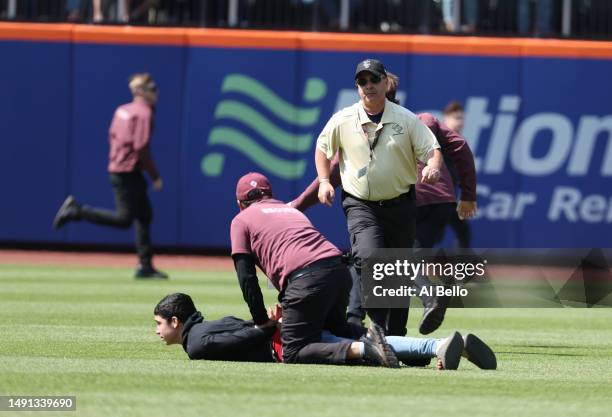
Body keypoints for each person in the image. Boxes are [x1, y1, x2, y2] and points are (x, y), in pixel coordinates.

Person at [292, 72, 476, 336]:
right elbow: (459, 146)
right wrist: (467, 194)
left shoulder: (359, 125)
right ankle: (393, 331)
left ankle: (369, 320)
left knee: (372, 259)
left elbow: (333, 170)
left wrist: (299, 204)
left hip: (400, 200)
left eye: (372, 84)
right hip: (438, 202)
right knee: (387, 260)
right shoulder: (420, 119)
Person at [313, 58, 443, 338]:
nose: (368, 86)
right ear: (357, 87)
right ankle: (380, 327)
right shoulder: (343, 119)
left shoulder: (406, 118)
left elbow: (432, 148)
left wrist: (433, 166)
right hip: (361, 204)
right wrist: (324, 181)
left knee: (396, 268)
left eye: (374, 80)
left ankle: (394, 336)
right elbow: (323, 148)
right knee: (370, 257)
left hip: (401, 203)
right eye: (362, 81)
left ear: (386, 82)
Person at [230, 172, 398, 367]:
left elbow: (247, 277)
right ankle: (424, 347)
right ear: (269, 194)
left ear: (240, 203)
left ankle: (366, 349)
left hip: (307, 279)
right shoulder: (290, 210)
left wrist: (260, 319)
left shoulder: (241, 220)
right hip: (338, 270)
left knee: (292, 350)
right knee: (339, 331)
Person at [154, 292, 497, 370]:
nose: (156, 331)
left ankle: (439, 348)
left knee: (362, 351)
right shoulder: (211, 323)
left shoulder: (196, 342)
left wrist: (271, 326)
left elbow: (240, 339)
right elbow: (241, 330)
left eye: (159, 323)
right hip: (287, 331)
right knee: (363, 342)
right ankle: (444, 345)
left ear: (175, 321)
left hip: (283, 343)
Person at [52, 73, 167, 279]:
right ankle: (77, 211)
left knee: (144, 215)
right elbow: (141, 148)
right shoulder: (144, 112)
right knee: (124, 219)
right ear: (141, 91)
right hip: (128, 171)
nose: (156, 92)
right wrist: (155, 175)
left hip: (120, 167)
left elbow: (113, 136)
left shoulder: (122, 109)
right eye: (152, 88)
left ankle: (145, 265)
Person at [442, 100, 473, 249]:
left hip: (449, 199)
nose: (460, 122)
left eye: (462, 118)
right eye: (456, 118)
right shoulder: (439, 139)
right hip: (435, 199)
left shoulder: (460, 141)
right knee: (428, 236)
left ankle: (459, 268)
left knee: (464, 232)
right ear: (445, 118)